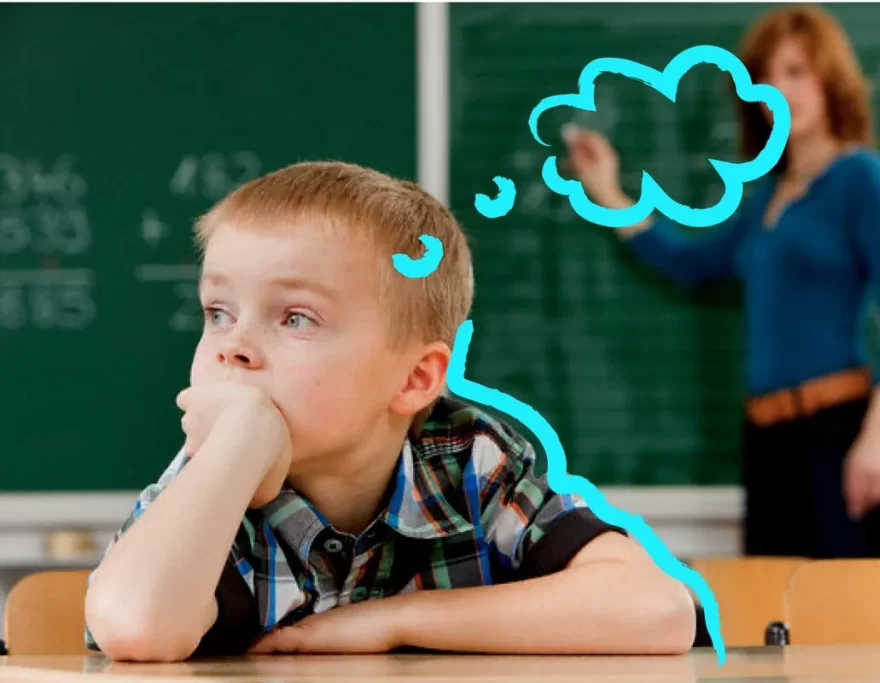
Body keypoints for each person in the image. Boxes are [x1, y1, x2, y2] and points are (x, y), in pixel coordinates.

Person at [83, 161, 696, 661]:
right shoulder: (212, 485)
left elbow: (659, 611)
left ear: (414, 379)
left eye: (296, 318)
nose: (233, 347)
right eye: (218, 312)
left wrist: (395, 621)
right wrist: (241, 438)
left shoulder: (469, 459)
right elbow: (136, 627)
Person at [563, 5, 880, 559]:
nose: (777, 90)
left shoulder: (863, 178)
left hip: (839, 435)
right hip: (767, 443)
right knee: (771, 609)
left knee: (849, 610)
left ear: (830, 79)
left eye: (796, 72)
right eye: (764, 77)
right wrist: (609, 192)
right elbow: (691, 264)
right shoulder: (766, 198)